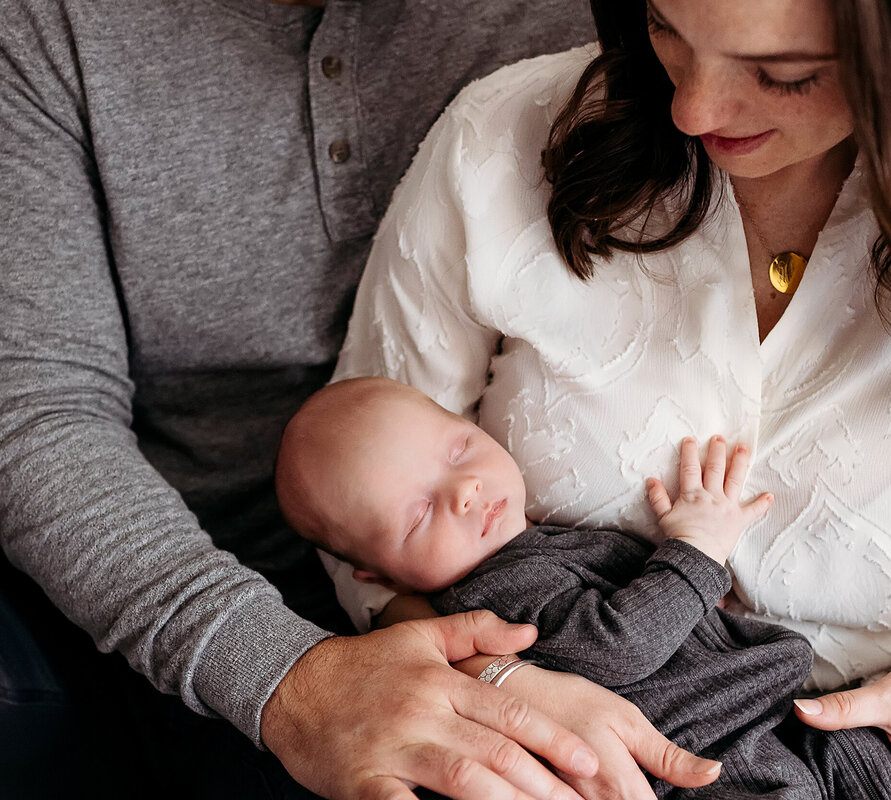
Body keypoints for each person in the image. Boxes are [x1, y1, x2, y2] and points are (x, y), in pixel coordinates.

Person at [0, 2, 891, 800]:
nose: (692, 105)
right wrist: (488, 681)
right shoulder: (517, 132)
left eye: (783, 76)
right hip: (583, 672)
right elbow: (372, 503)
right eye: (668, 35)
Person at [0, 3, 738, 799]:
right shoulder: (55, 28)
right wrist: (285, 674)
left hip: (485, 587)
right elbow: (40, 410)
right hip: (177, 580)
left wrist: (472, 658)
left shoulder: (593, 23)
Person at [273, 375, 891, 800]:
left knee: (874, 768)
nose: (465, 490)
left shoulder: (538, 544)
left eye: (459, 449)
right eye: (417, 515)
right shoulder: (498, 593)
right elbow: (617, 649)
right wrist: (694, 553)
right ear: (379, 577)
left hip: (750, 720)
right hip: (691, 753)